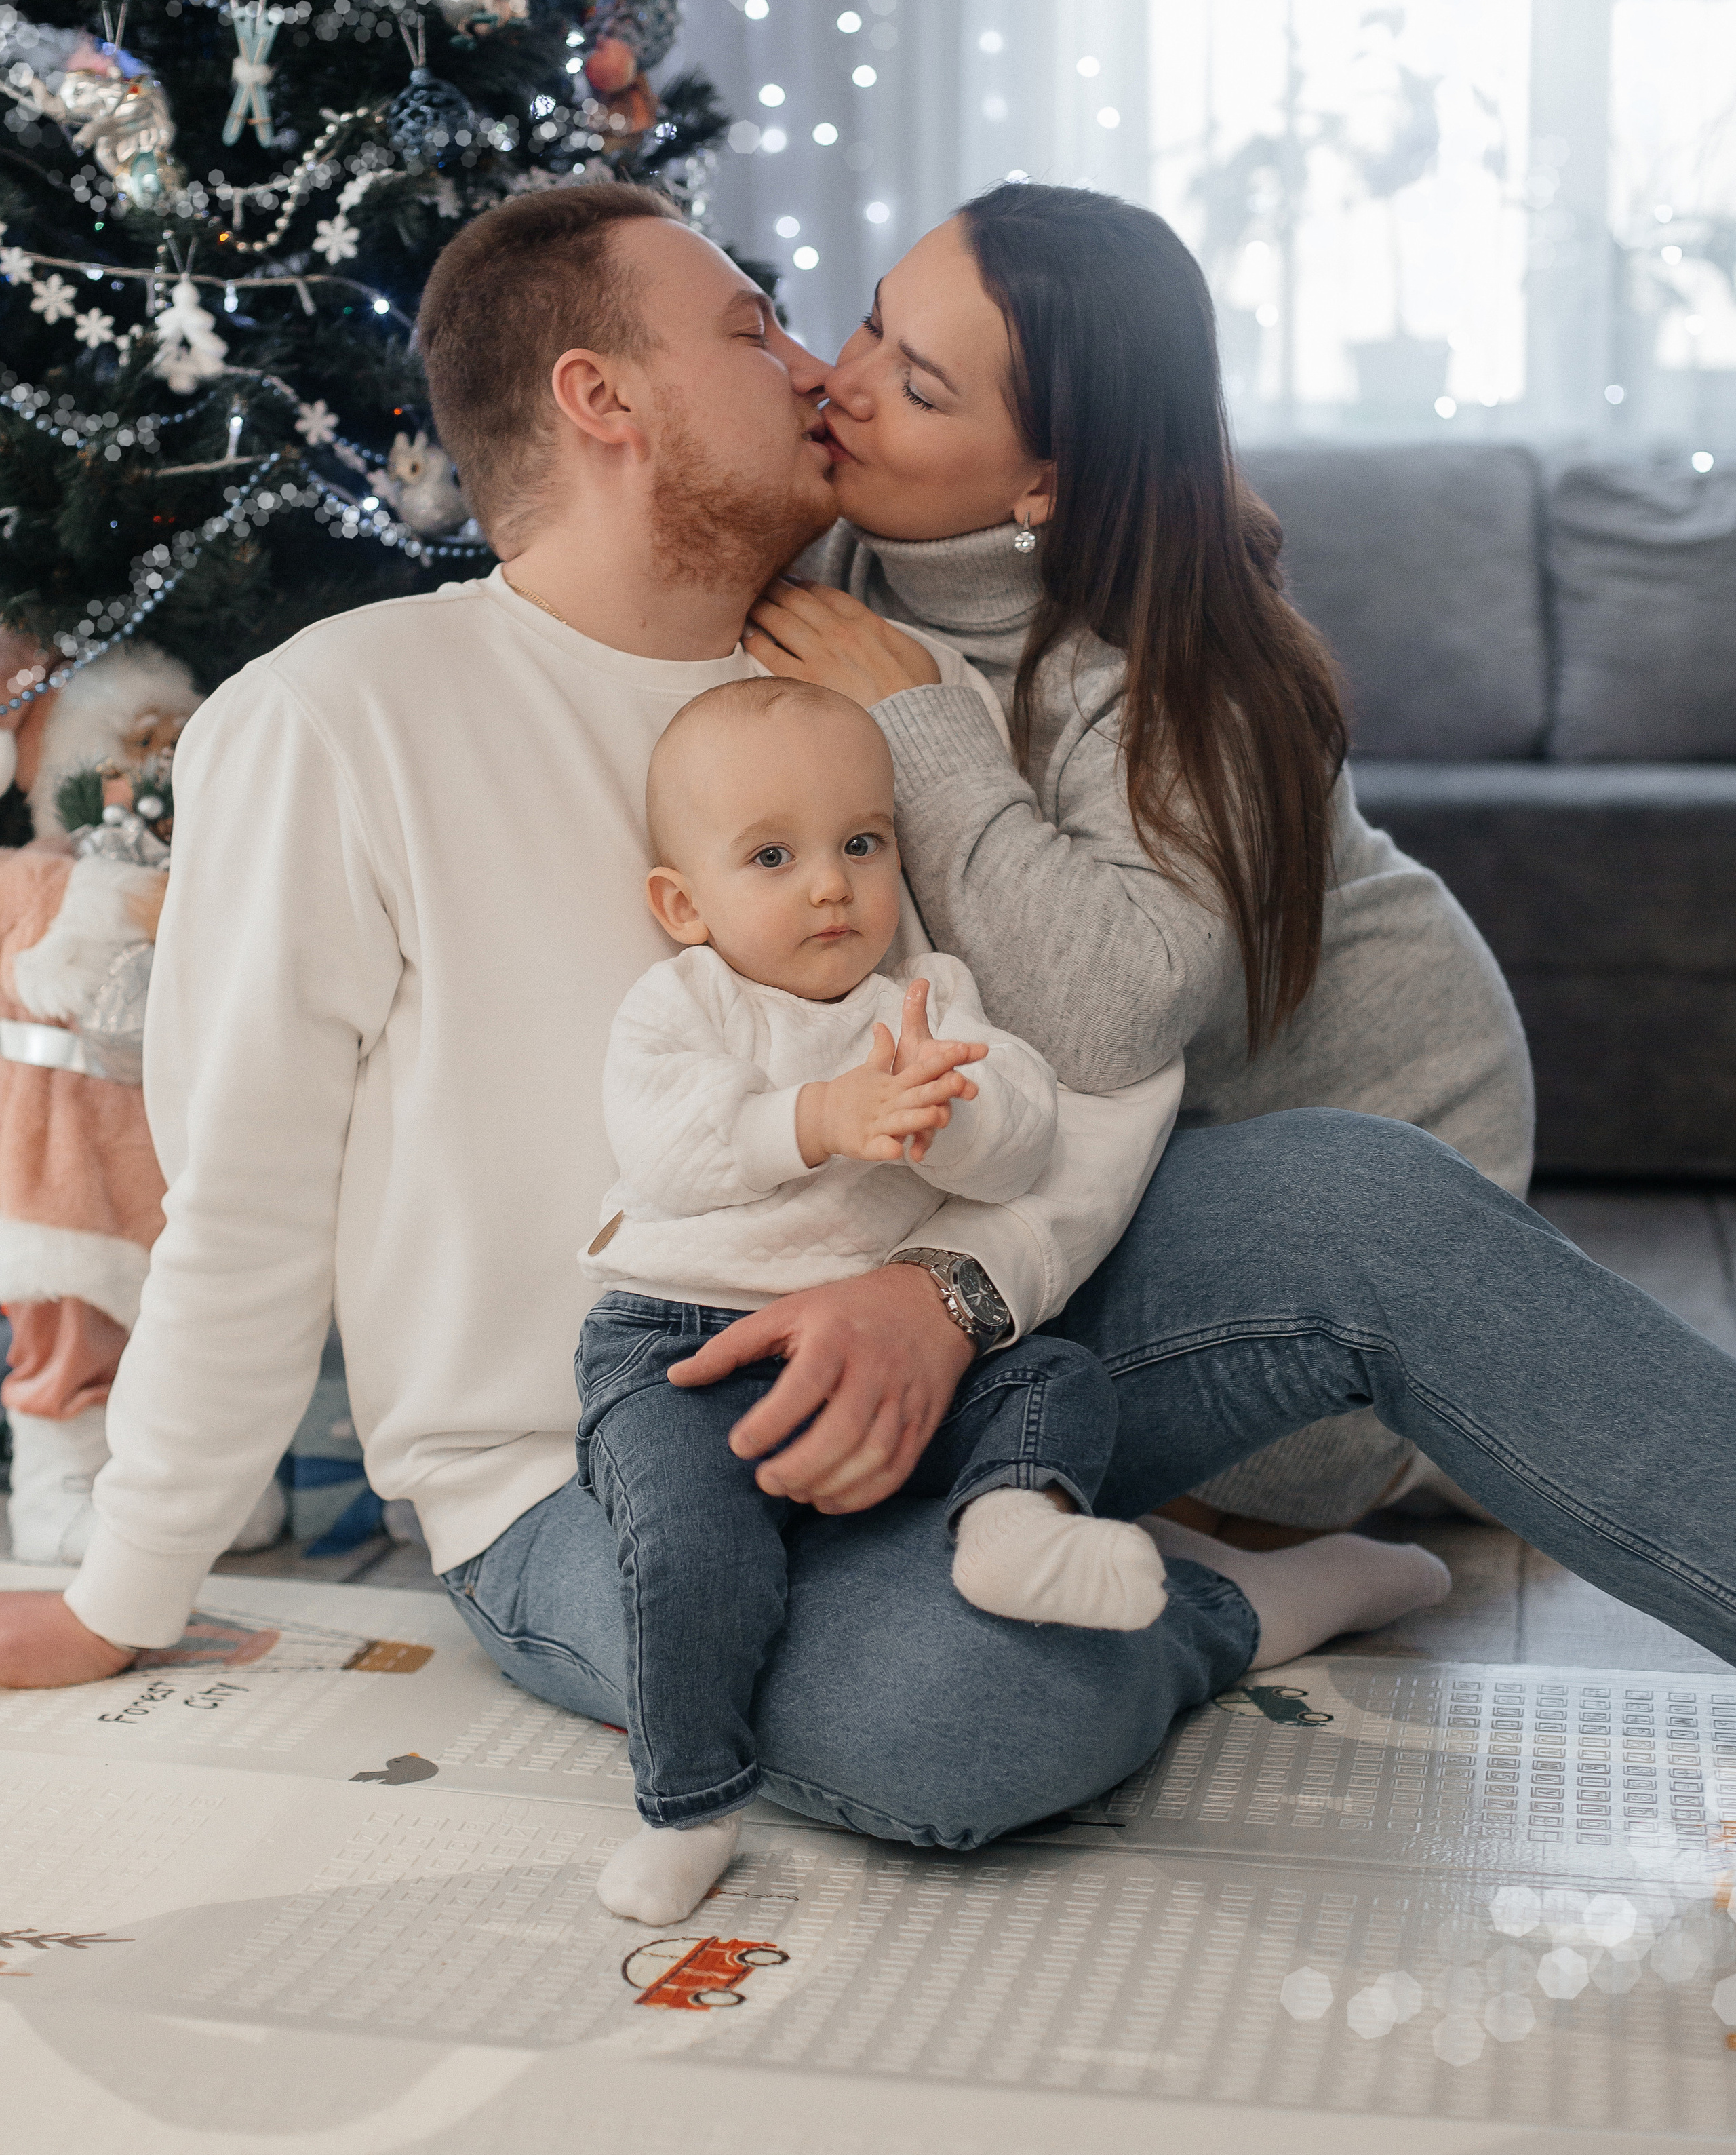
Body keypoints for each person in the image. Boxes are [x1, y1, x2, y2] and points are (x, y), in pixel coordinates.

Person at [4, 184, 1736, 1859]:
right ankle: (1223, 1598)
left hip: (955, 1350)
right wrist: (124, 1592)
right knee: (965, 1718)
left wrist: (942, 1296)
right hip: (568, 1465)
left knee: (1363, 1196)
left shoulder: (884, 681)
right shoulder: (337, 716)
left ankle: (1060, 1519)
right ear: (600, 400)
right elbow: (245, 1198)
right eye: (750, 329)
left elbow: (1083, 1065)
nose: (814, 368)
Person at [749, 182, 1532, 1539]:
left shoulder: (1192, 680)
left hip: (1359, 1162)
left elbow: (1109, 1017)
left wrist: (919, 729)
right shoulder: (850, 539)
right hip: (1122, 1161)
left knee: (991, 1489)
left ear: (1043, 482)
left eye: (918, 387)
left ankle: (1365, 1513)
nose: (843, 384)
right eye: (869, 324)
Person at [588, 674, 1223, 1925]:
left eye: (863, 845)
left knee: (1051, 1379)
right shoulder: (687, 1003)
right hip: (684, 1344)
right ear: (684, 904)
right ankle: (691, 1803)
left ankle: (1011, 1526)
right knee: (688, 1548)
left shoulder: (923, 1000)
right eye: (774, 857)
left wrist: (951, 1118)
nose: (832, 887)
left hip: (881, 1361)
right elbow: (667, 1146)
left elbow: (1025, 1137)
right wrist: (821, 1118)